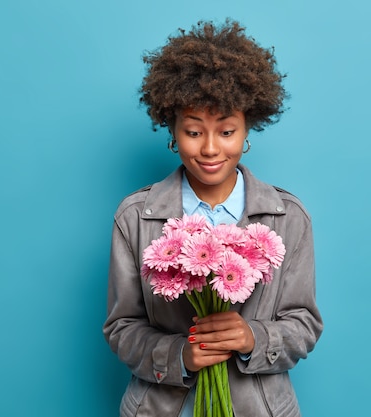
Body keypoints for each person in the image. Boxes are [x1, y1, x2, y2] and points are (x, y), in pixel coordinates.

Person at [103, 19, 323, 417]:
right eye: (192, 131)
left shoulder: (288, 217)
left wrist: (252, 336)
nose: (209, 149)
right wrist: (179, 355)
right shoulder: (135, 217)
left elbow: (304, 324)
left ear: (246, 131)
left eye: (226, 131)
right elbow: (122, 327)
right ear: (172, 130)